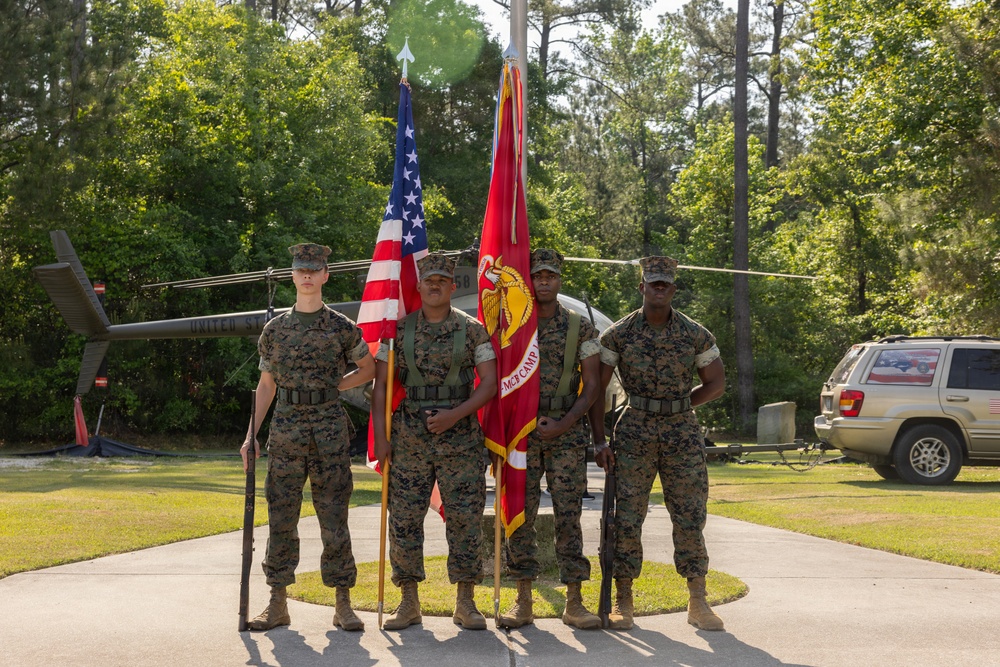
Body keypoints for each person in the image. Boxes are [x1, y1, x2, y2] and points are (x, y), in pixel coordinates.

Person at [240, 243, 376, 632]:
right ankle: (277, 602)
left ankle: (343, 604)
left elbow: (368, 368)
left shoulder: (341, 327)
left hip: (329, 430)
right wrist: (251, 436)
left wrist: (337, 383)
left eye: (314, 270)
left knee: (334, 519)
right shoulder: (275, 330)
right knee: (281, 517)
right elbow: (266, 385)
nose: (307, 276)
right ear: (293, 275)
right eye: (301, 269)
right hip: (285, 430)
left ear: (325, 276)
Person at [594, 255, 726, 632]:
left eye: (665, 283)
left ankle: (698, 599)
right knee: (627, 517)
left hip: (681, 431)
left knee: (689, 515)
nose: (659, 288)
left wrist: (681, 404)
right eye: (653, 283)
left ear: (673, 289)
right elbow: (596, 389)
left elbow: (715, 383)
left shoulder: (695, 333)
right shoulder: (618, 334)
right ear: (642, 288)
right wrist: (600, 439)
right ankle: (623, 599)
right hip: (634, 429)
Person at [372, 252, 498, 631]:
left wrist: (454, 416)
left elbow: (490, 384)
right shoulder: (397, 330)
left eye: (443, 280)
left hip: (460, 438)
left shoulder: (473, 329)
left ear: (452, 286)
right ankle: (408, 601)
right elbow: (381, 388)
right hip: (408, 437)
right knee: (405, 520)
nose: (435, 285)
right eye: (429, 280)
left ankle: (466, 601)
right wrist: (380, 438)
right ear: (419, 285)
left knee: (464, 519)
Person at [498, 248, 604, 630]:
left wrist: (565, 423)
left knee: (569, 516)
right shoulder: (512, 323)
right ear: (528, 280)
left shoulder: (580, 327)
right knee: (518, 515)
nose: (543, 282)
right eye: (537, 276)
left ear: (560, 280)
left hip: (565, 431)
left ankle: (574, 600)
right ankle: (522, 598)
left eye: (550, 276)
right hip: (521, 433)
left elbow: (592, 385)